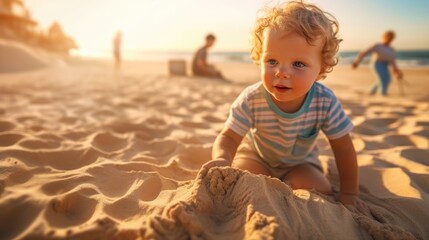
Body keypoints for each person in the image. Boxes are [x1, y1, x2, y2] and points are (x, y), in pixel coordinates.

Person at [202, 1, 366, 211]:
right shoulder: (252, 98)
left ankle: (284, 188)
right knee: (241, 174)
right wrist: (222, 158)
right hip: (258, 157)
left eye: (298, 64)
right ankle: (268, 187)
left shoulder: (325, 102)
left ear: (321, 68)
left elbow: (343, 148)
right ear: (259, 58)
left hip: (300, 163)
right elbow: (229, 137)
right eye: (271, 61)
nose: (281, 72)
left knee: (320, 186)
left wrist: (349, 193)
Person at [352, 30, 403, 96]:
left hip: (385, 65)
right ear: (384, 37)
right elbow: (364, 53)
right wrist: (357, 62)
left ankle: (371, 92)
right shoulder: (377, 46)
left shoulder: (391, 49)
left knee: (384, 80)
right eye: (388, 37)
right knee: (384, 80)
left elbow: (393, 62)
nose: (389, 39)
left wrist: (396, 71)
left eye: (391, 37)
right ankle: (382, 94)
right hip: (376, 64)